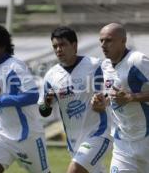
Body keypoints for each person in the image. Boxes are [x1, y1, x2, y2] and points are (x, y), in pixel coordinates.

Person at [0, 24, 50, 173]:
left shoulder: (15, 66)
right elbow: (0, 97)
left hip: (28, 135)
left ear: (2, 47)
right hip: (3, 134)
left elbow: (32, 95)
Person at [41, 26, 112, 173]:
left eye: (63, 45)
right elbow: (44, 112)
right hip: (74, 142)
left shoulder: (95, 65)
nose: (58, 50)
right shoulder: (51, 76)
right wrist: (47, 104)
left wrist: (104, 100)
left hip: (99, 133)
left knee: (74, 170)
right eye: (55, 46)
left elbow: (113, 89)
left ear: (74, 45)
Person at [92, 23, 149, 173]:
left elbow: (127, 97)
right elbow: (112, 94)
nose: (103, 45)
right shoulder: (105, 66)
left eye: (109, 40)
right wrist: (102, 102)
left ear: (123, 41)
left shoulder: (137, 60)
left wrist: (132, 97)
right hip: (123, 144)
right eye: (101, 41)